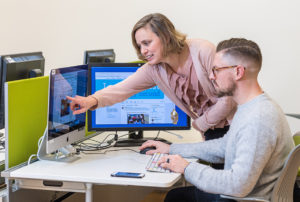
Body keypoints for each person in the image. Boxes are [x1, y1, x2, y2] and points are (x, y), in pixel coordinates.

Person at [140, 38, 295, 201]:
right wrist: (172, 149)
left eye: (216, 70)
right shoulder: (250, 106)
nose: (211, 77)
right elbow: (224, 146)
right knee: (176, 196)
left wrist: (186, 167)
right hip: (243, 194)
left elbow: (238, 185)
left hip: (242, 198)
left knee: (168, 198)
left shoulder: (258, 118)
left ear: (238, 72)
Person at [67, 13, 236, 143]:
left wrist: (200, 124)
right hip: (213, 132)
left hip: (237, 126)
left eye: (147, 43)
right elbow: (121, 89)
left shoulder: (203, 51)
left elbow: (229, 99)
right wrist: (91, 100)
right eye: (139, 46)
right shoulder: (155, 69)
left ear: (166, 37)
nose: (143, 51)